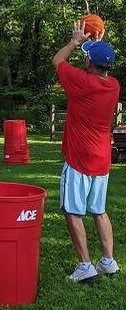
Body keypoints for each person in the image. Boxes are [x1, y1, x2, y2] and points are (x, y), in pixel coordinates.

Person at [52, 20, 120, 283]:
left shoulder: (82, 82)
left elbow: (57, 60)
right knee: (99, 210)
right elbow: (98, 60)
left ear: (90, 64)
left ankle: (85, 266)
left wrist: (74, 41)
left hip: (80, 158)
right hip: (102, 159)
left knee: (72, 211)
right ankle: (108, 261)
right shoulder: (113, 85)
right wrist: (97, 42)